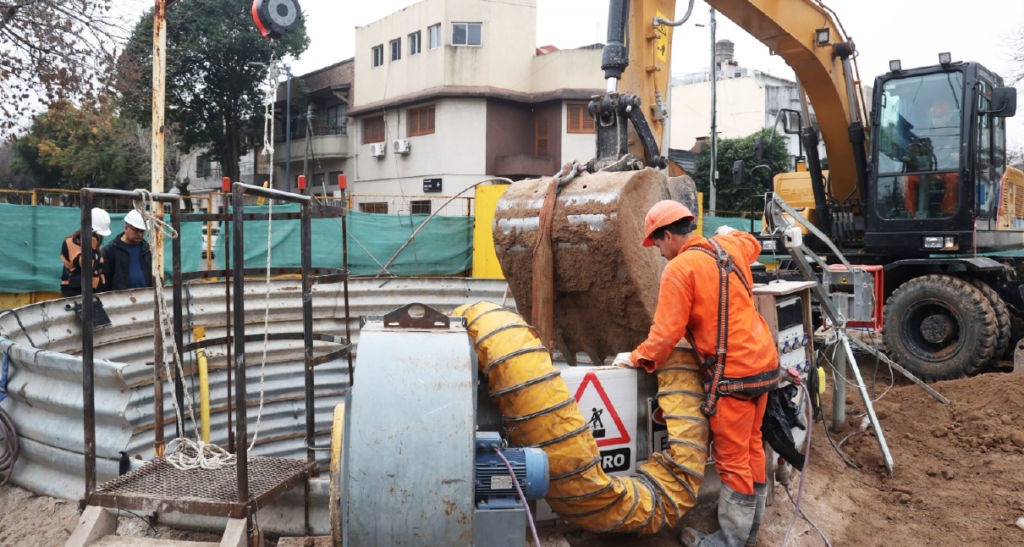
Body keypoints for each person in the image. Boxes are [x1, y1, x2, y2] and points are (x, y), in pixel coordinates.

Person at [612, 201, 779, 547]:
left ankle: (731, 541)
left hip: (732, 376)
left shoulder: (679, 269)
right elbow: (754, 243)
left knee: (732, 461)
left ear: (669, 236)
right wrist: (729, 231)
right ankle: (751, 532)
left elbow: (664, 336)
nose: (659, 252)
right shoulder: (729, 247)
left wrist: (634, 358)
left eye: (658, 244)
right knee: (752, 448)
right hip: (763, 364)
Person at [901, 99, 960, 218]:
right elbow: (915, 152)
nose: (936, 121)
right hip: (926, 172)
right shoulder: (923, 136)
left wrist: (959, 157)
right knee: (906, 179)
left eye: (939, 117)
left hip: (945, 172)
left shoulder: (957, 135)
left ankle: (948, 211)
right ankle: (911, 213)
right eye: (934, 118)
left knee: (954, 177)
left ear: (948, 117)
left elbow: (965, 154)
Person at [60, 208, 111, 298]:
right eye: (97, 232)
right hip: (75, 293)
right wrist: (90, 240)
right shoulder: (71, 242)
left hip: (94, 293)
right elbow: (85, 264)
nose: (99, 236)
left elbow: (99, 268)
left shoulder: (95, 246)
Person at [102, 209, 153, 291]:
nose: (140, 234)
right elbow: (105, 279)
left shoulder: (147, 249)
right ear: (126, 228)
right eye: (136, 230)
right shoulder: (110, 251)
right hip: (120, 300)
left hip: (146, 297)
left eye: (142, 231)